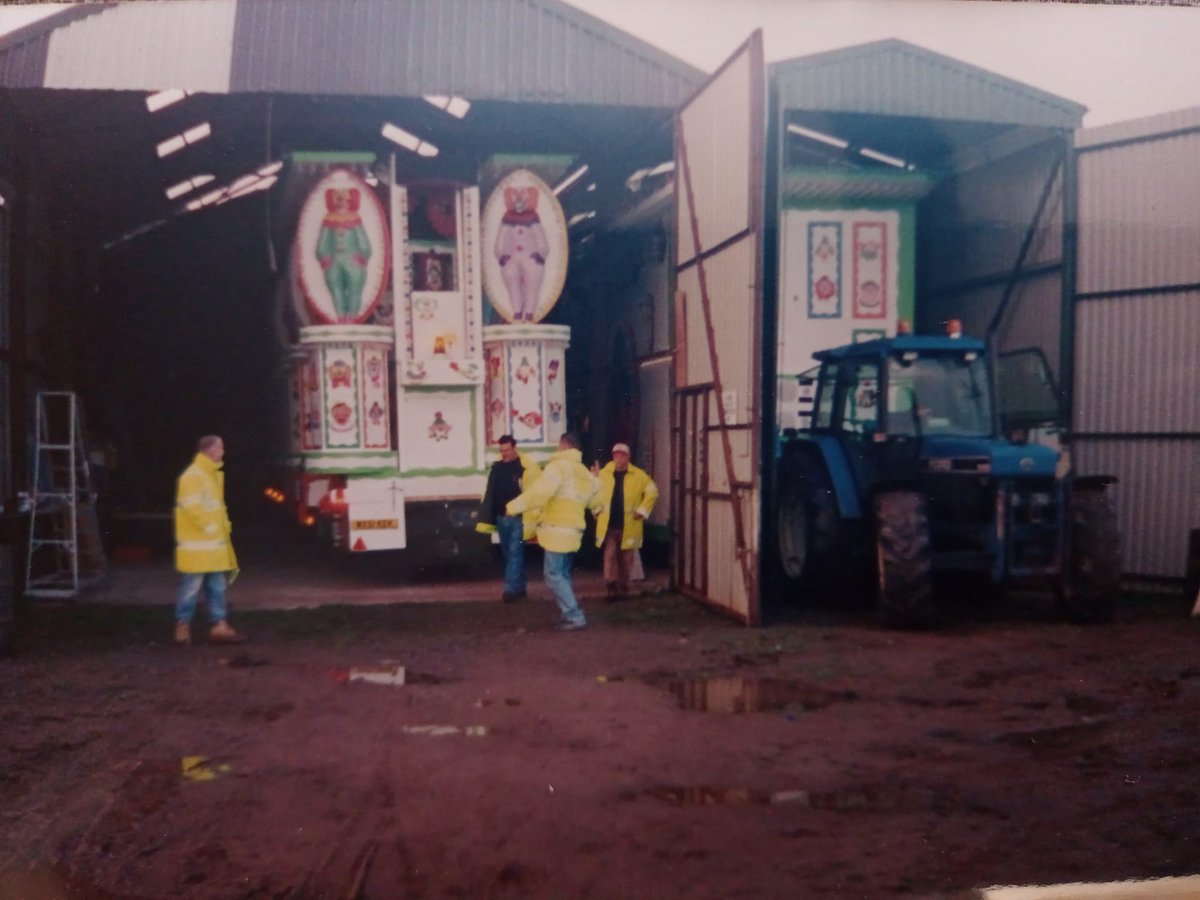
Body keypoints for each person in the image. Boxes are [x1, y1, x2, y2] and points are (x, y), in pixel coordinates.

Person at [505, 432, 600, 631]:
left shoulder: (557, 469)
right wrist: (596, 480)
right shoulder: (583, 472)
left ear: (564, 445)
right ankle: (570, 614)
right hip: (574, 531)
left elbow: (539, 494)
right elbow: (595, 501)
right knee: (561, 574)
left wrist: (513, 506)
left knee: (553, 574)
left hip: (557, 530)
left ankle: (574, 615)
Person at [173, 435, 242, 645]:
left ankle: (218, 625)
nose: (223, 450)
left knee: (216, 587)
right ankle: (183, 626)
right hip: (200, 548)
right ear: (210, 449)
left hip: (212, 548)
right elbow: (192, 507)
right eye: (220, 446)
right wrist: (211, 527)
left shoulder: (209, 474)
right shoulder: (194, 476)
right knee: (192, 588)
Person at [476, 434, 542, 602]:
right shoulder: (497, 468)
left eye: (506, 450)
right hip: (501, 518)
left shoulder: (523, 468)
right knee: (509, 554)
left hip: (519, 518)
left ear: (514, 448)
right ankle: (519, 587)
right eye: (501, 451)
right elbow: (490, 492)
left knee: (514, 552)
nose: (504, 453)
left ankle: (511, 590)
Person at [592, 443, 659, 600]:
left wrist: (642, 511)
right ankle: (611, 586)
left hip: (629, 524)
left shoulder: (639, 475)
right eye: (615, 455)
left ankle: (623, 587)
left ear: (628, 458)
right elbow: (592, 492)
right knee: (610, 555)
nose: (618, 458)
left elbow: (652, 492)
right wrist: (596, 510)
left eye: (622, 455)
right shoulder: (603, 474)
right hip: (609, 524)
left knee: (626, 558)